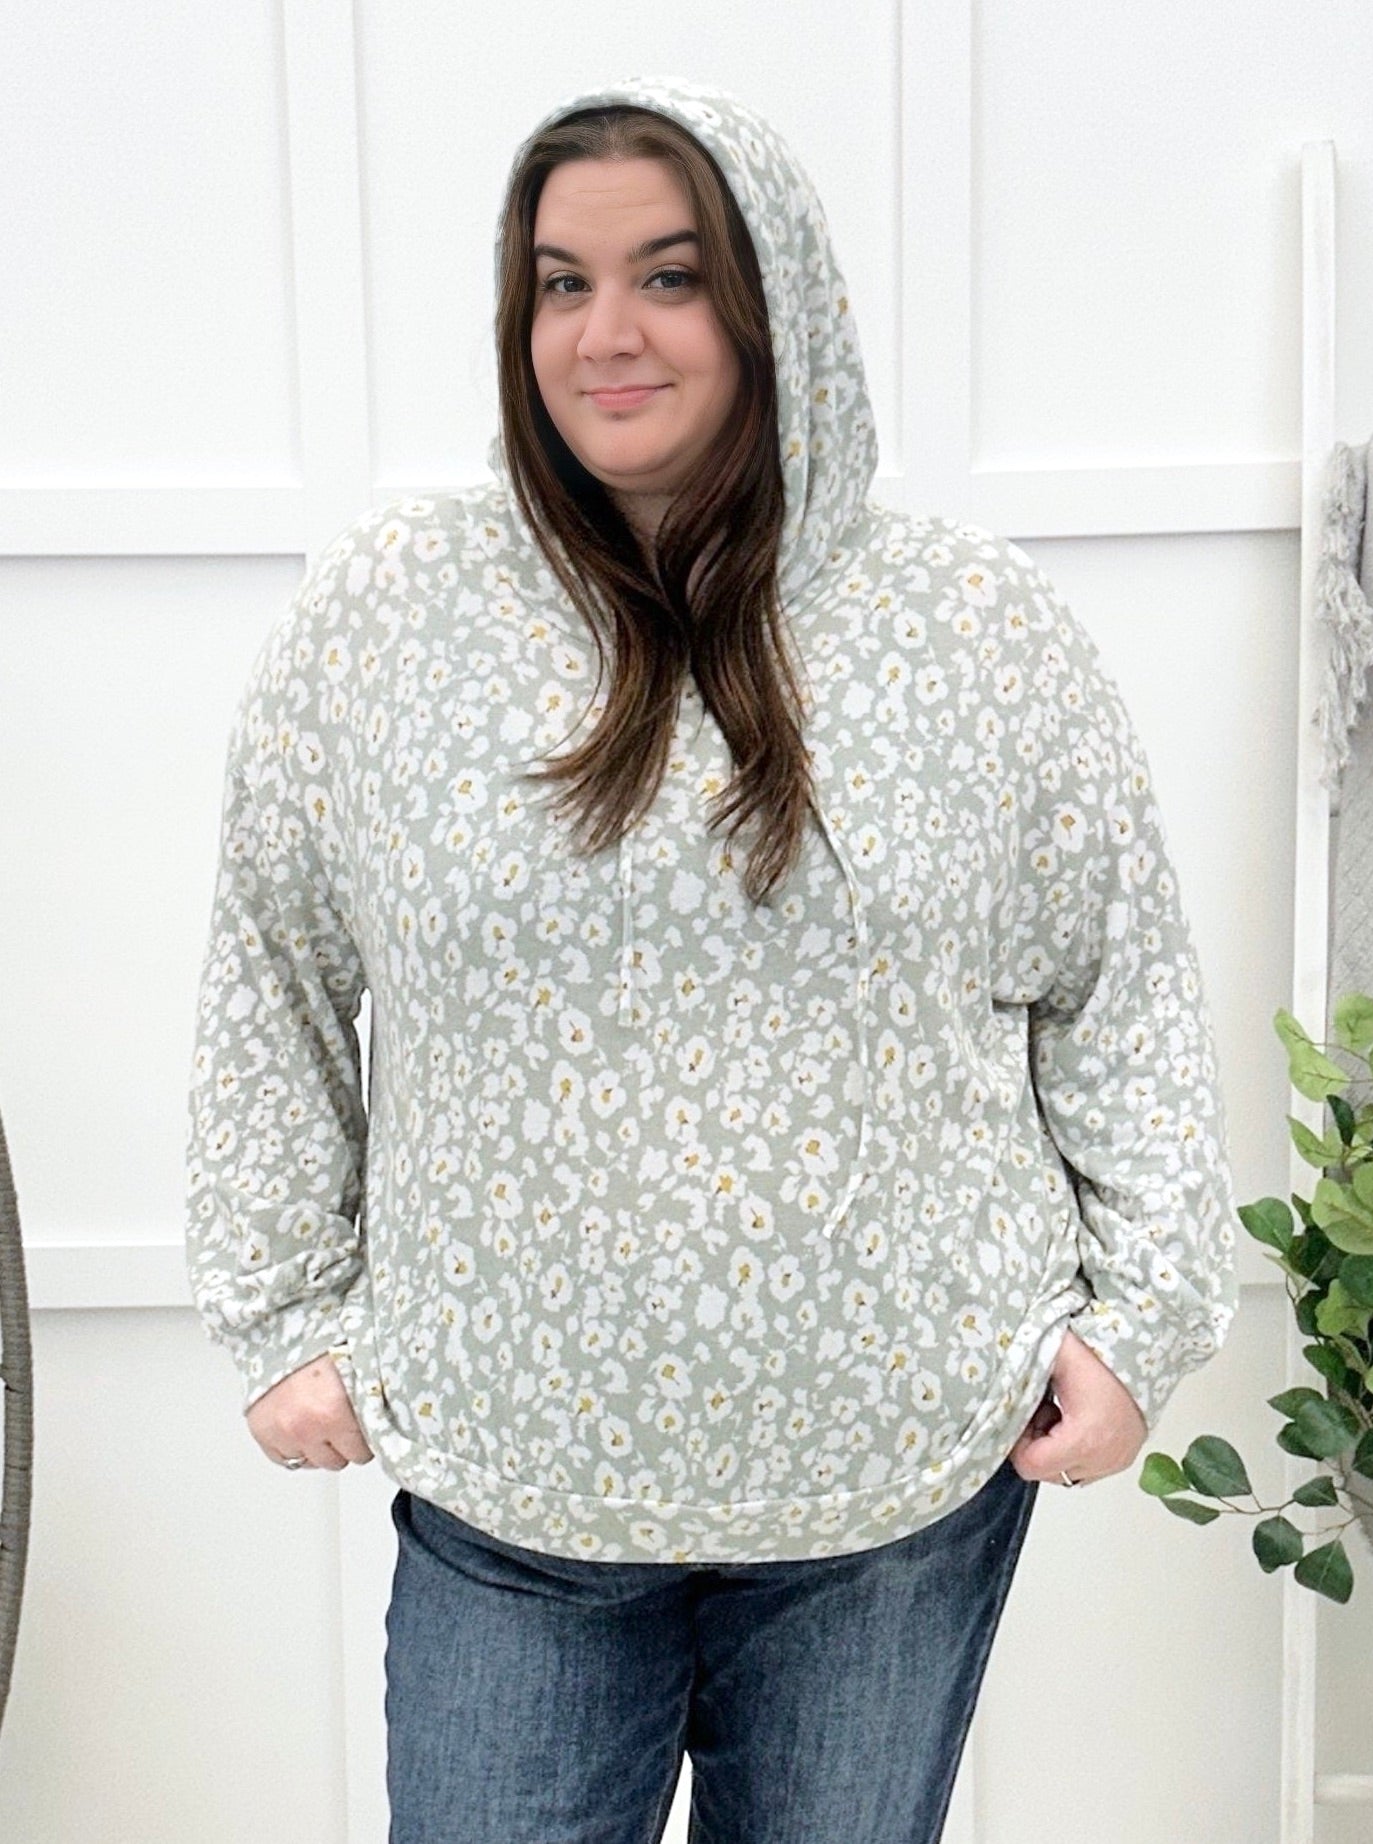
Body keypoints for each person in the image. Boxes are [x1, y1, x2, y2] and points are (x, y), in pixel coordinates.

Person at [185, 76, 1240, 1843]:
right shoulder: (387, 621)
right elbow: (271, 975)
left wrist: (1142, 1325)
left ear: (778, 305)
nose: (605, 334)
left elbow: (1118, 992)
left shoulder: (975, 627)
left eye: (669, 277)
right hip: (515, 1483)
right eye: (562, 281)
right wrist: (282, 1311)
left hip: (893, 1490)